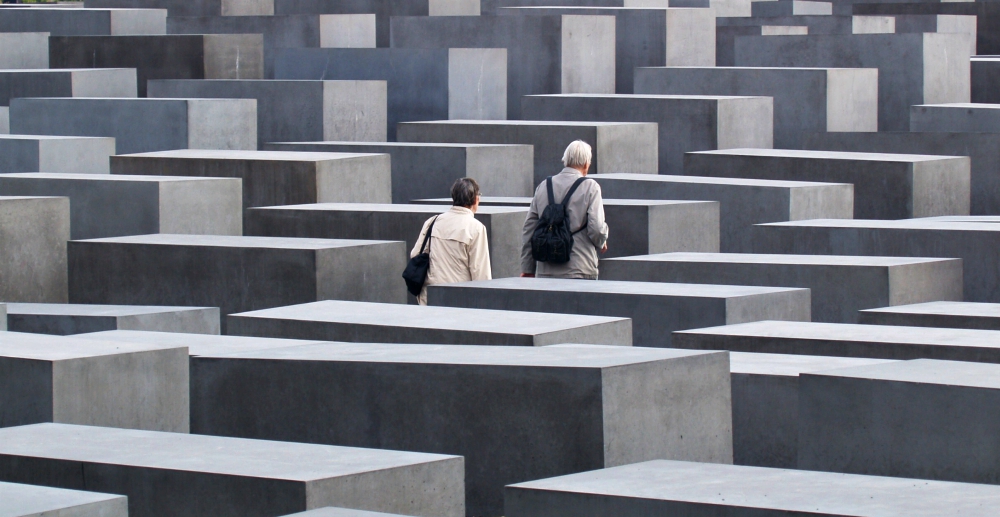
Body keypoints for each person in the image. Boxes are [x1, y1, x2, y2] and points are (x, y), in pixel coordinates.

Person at [520, 140, 609, 279]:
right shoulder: (591, 187)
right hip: (580, 268)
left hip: (546, 269)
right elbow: (596, 228)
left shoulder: (543, 186)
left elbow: (529, 229)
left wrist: (527, 268)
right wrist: (601, 241)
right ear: (586, 163)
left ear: (565, 160)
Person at [410, 177, 492, 304]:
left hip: (429, 297)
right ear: (476, 199)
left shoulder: (433, 221)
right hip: (460, 300)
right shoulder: (476, 228)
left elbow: (415, 254)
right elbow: (481, 273)